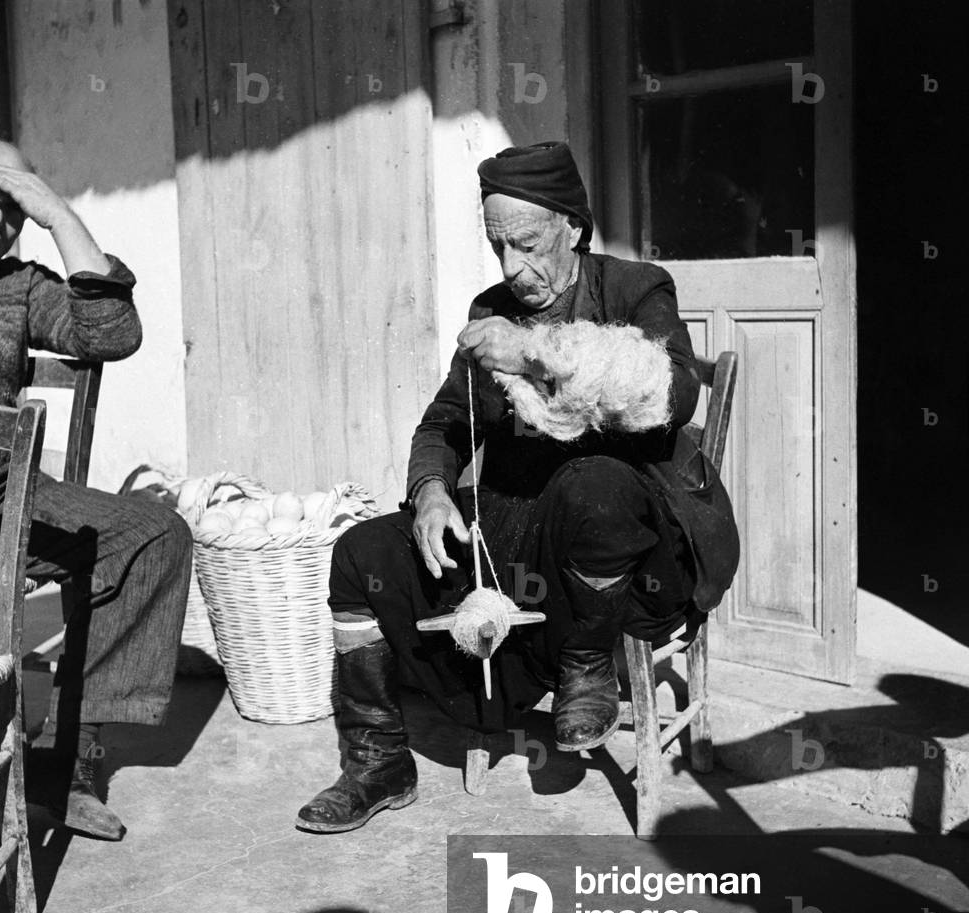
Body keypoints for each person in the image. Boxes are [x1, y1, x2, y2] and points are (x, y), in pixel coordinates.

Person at [296, 140, 740, 833]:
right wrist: (432, 494)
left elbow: (674, 390)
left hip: (634, 549)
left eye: (527, 243)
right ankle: (377, 758)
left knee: (593, 485)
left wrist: (534, 351)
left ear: (572, 224)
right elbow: (442, 424)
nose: (512, 266)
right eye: (498, 244)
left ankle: (586, 662)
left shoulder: (635, 288)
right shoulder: (492, 307)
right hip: (521, 537)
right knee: (359, 553)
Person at [0, 138, 192, 840]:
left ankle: (64, 764)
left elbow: (113, 332)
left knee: (154, 535)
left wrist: (55, 214)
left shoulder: (20, 286)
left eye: (14, 202)